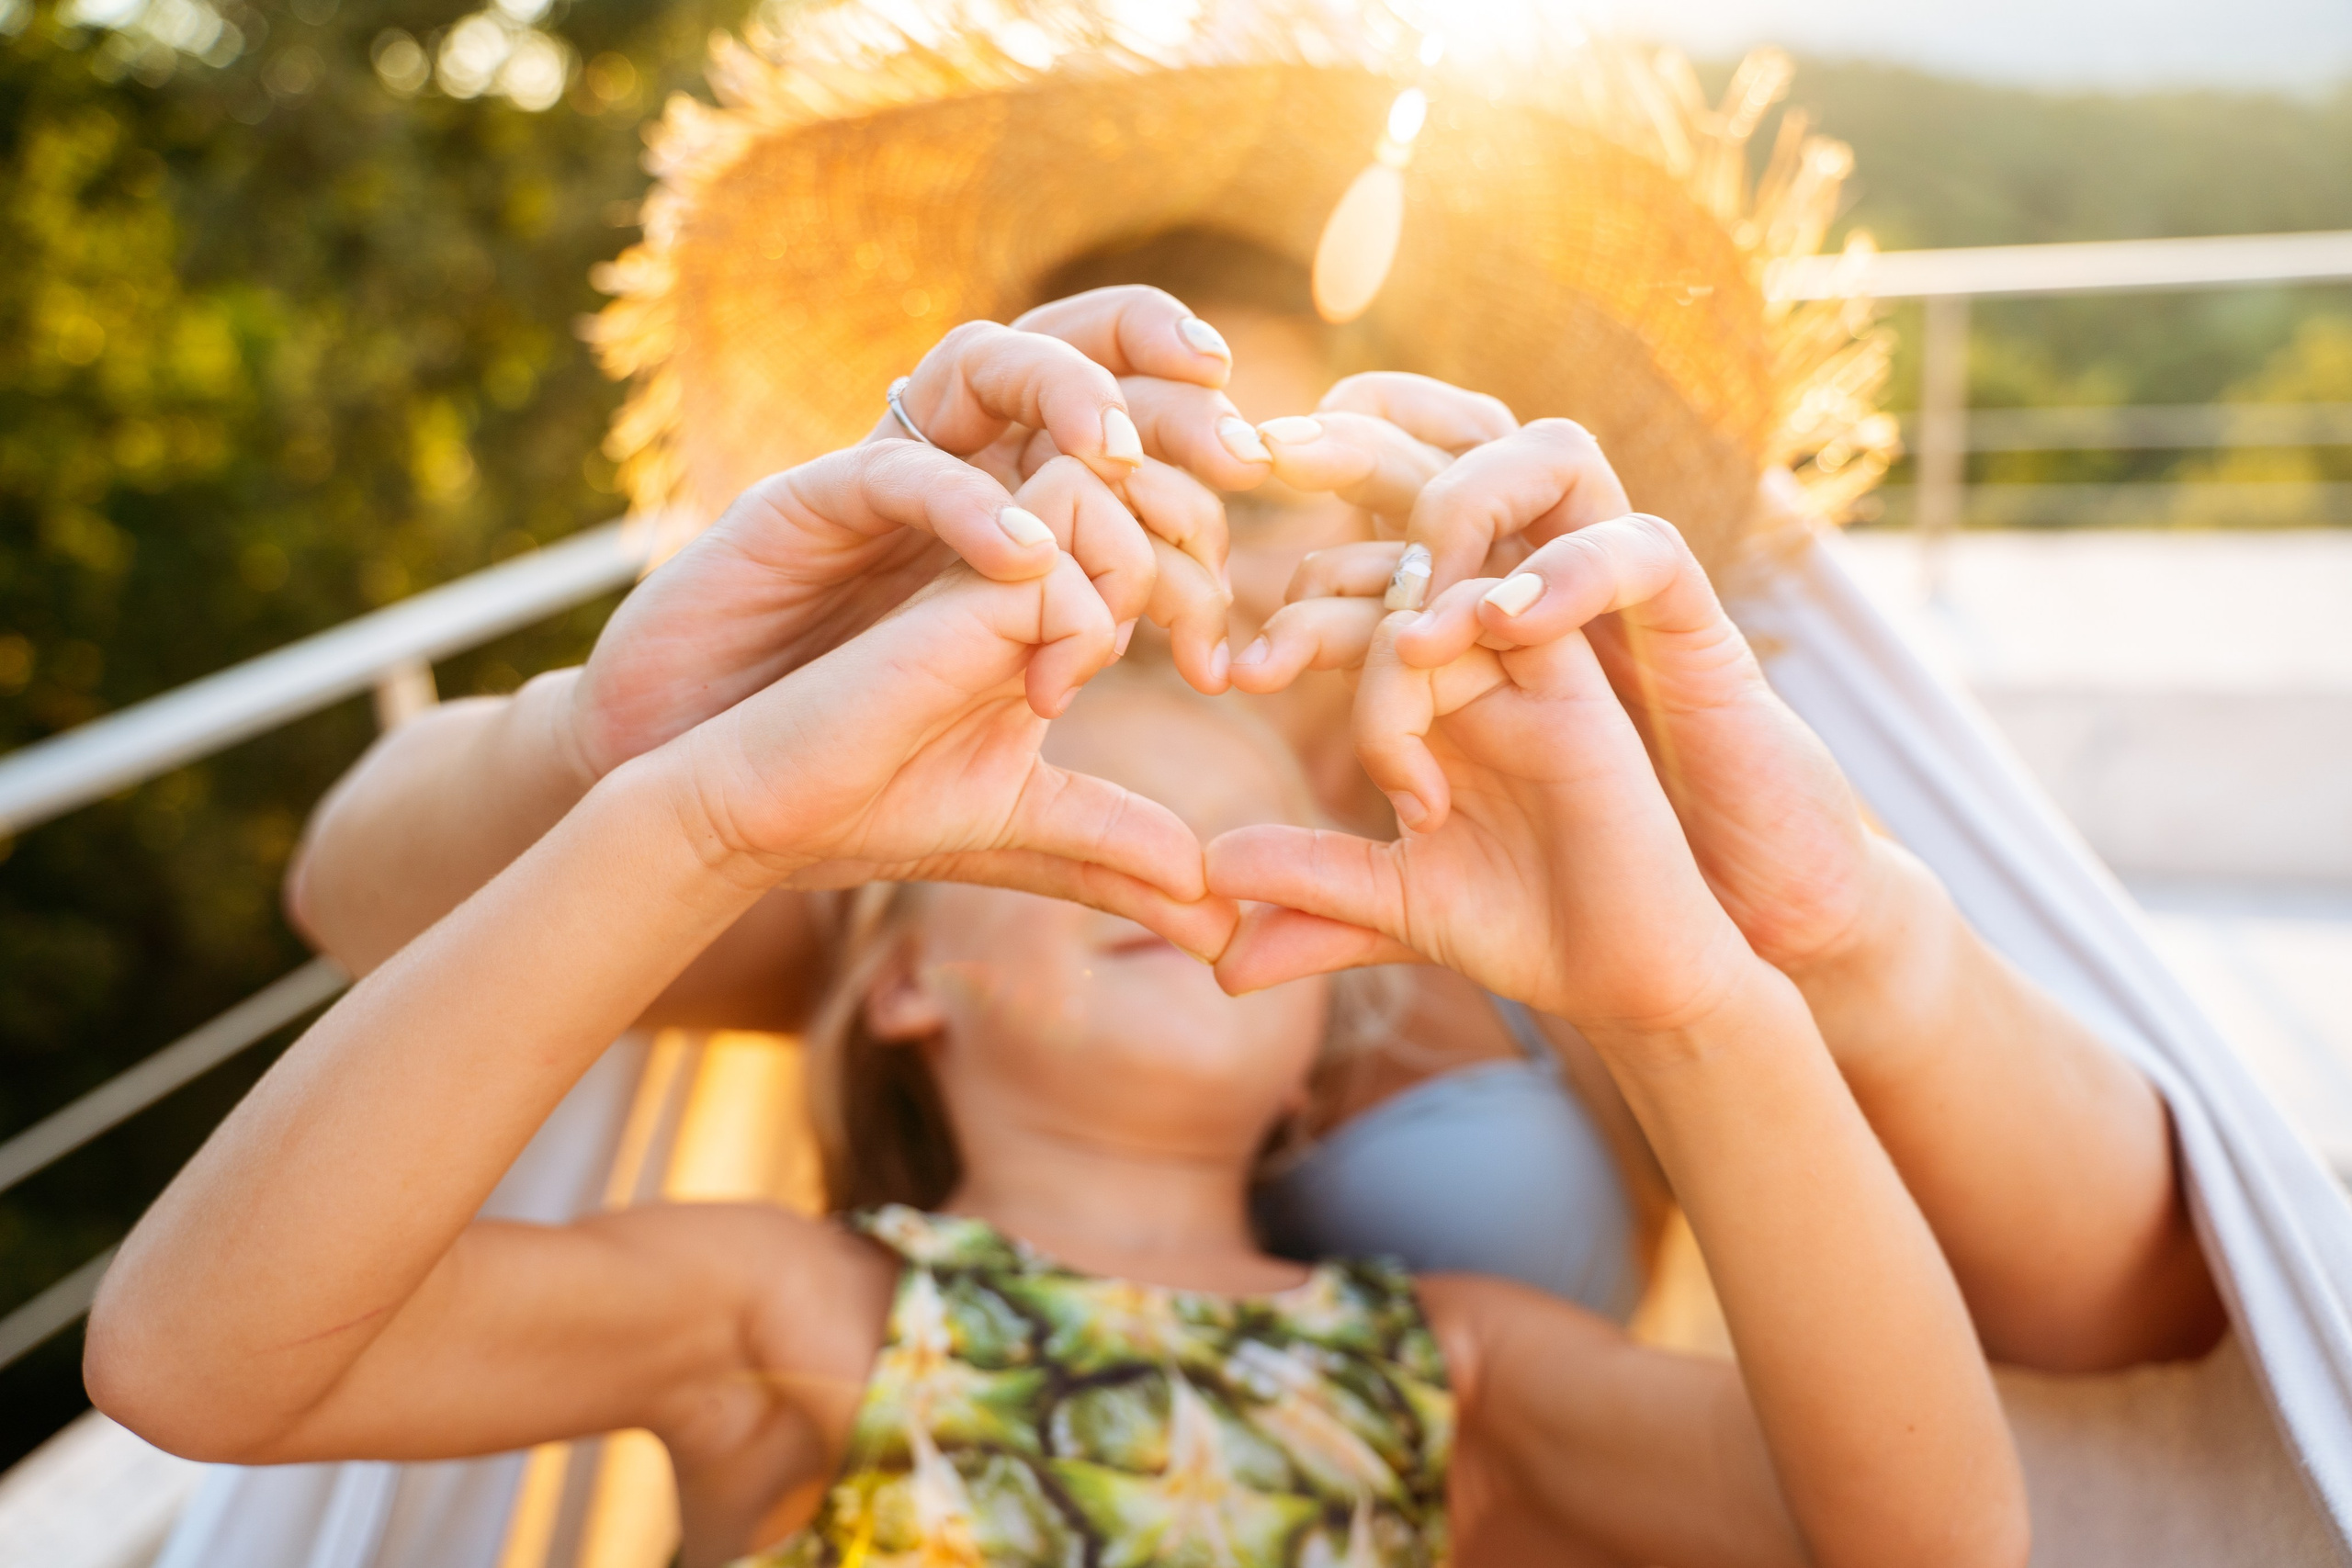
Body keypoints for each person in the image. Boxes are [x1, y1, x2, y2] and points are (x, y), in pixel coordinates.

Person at [281, 0, 2221, 1369]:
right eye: (1108, 444)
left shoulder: (1585, 817)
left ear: (1388, 465)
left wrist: (1832, 927)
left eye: (1263, 449)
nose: (1199, 514)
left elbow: (2116, 1308)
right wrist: (622, 738)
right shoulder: (957, 834)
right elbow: (356, 894)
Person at [82, 458, 2030, 1565]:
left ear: (1324, 1016)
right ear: (900, 972)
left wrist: (1692, 996)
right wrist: (700, 819)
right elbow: (192, 1360)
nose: (1170, 856)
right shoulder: (794, 1315)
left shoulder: (1457, 1374)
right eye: (1060, 817)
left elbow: (1927, 1549)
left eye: (1241, 830)